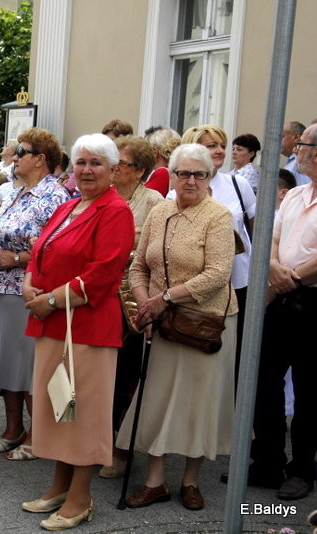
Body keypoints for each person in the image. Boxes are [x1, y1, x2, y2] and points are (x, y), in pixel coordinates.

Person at [21, 133, 133, 530]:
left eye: (96, 163)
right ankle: (59, 487)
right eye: (81, 162)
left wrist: (51, 299)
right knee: (59, 408)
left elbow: (103, 273)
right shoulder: (69, 205)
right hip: (53, 323)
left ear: (113, 170)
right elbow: (40, 250)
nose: (86, 170)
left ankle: (81, 497)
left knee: (83, 412)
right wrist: (29, 282)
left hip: (86, 328)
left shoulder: (116, 211)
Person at [115, 143, 237, 511]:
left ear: (209, 177)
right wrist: (145, 305)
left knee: (198, 402)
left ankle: (190, 480)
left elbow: (218, 274)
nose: (190, 180)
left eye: (199, 174)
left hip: (205, 323)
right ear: (173, 176)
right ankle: (155, 481)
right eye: (183, 173)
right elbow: (139, 266)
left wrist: (164, 299)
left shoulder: (219, 216)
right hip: (161, 322)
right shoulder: (160, 211)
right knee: (157, 398)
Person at [0, 128, 68, 461]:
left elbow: (58, 246)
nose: (15, 157)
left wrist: (20, 258)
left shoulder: (53, 196)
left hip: (26, 291)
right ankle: (14, 429)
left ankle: (40, 435)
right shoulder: (18, 191)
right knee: (8, 365)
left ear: (40, 159)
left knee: (28, 366)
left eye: (22, 152)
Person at [250, 123, 317, 501]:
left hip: (311, 301)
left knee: (309, 390)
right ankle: (268, 462)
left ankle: (303, 469)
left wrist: (288, 278)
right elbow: (272, 236)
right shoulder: (294, 195)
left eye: (301, 145)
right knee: (265, 381)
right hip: (281, 297)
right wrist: (274, 267)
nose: (296, 151)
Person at [101, 135, 164, 478]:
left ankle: (122, 449)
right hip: (99, 293)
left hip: (131, 297)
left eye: (122, 164)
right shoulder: (103, 194)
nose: (114, 169)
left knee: (125, 373)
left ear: (140, 171)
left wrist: (124, 247)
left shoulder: (154, 201)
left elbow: (154, 249)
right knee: (100, 371)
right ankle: (97, 441)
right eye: (113, 162)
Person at [178, 125, 254, 382]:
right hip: (195, 285)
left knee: (235, 354)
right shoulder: (179, 189)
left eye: (222, 145)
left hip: (239, 281)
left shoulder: (238, 184)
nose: (220, 150)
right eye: (211, 146)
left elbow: (254, 229)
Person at [144, 128, 181, 197]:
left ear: (155, 151)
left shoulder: (162, 173)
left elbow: (143, 200)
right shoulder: (175, 171)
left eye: (147, 150)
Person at [281, 121, 309, 186]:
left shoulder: (302, 162)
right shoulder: (292, 162)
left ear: (296, 137)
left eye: (282, 137)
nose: (278, 141)